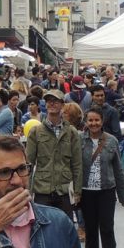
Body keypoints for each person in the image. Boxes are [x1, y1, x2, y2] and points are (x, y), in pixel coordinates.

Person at [80, 108, 124, 248]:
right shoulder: (79, 140)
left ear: (102, 121)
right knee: (91, 232)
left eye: (96, 120)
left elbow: (118, 169)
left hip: (106, 191)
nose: (93, 124)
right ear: (86, 122)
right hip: (86, 192)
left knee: (107, 230)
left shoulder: (112, 141)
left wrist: (123, 195)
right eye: (90, 120)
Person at [26, 89, 83, 220]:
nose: (51, 104)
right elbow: (28, 164)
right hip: (42, 189)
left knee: (64, 230)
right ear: (45, 105)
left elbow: (77, 164)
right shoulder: (36, 131)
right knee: (43, 230)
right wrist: (27, 190)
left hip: (64, 189)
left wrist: (77, 191)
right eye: (48, 101)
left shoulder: (71, 132)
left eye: (55, 101)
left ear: (62, 105)